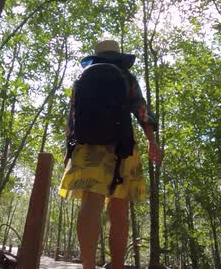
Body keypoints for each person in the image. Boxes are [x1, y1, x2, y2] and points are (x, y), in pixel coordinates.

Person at [58, 39, 162, 269]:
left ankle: (87, 266)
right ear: (118, 56)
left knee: (91, 203)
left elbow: (72, 117)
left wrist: (68, 149)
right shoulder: (126, 76)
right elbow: (142, 110)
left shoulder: (82, 79)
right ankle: (116, 266)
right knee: (119, 210)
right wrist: (152, 141)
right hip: (122, 146)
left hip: (87, 147)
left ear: (95, 57)